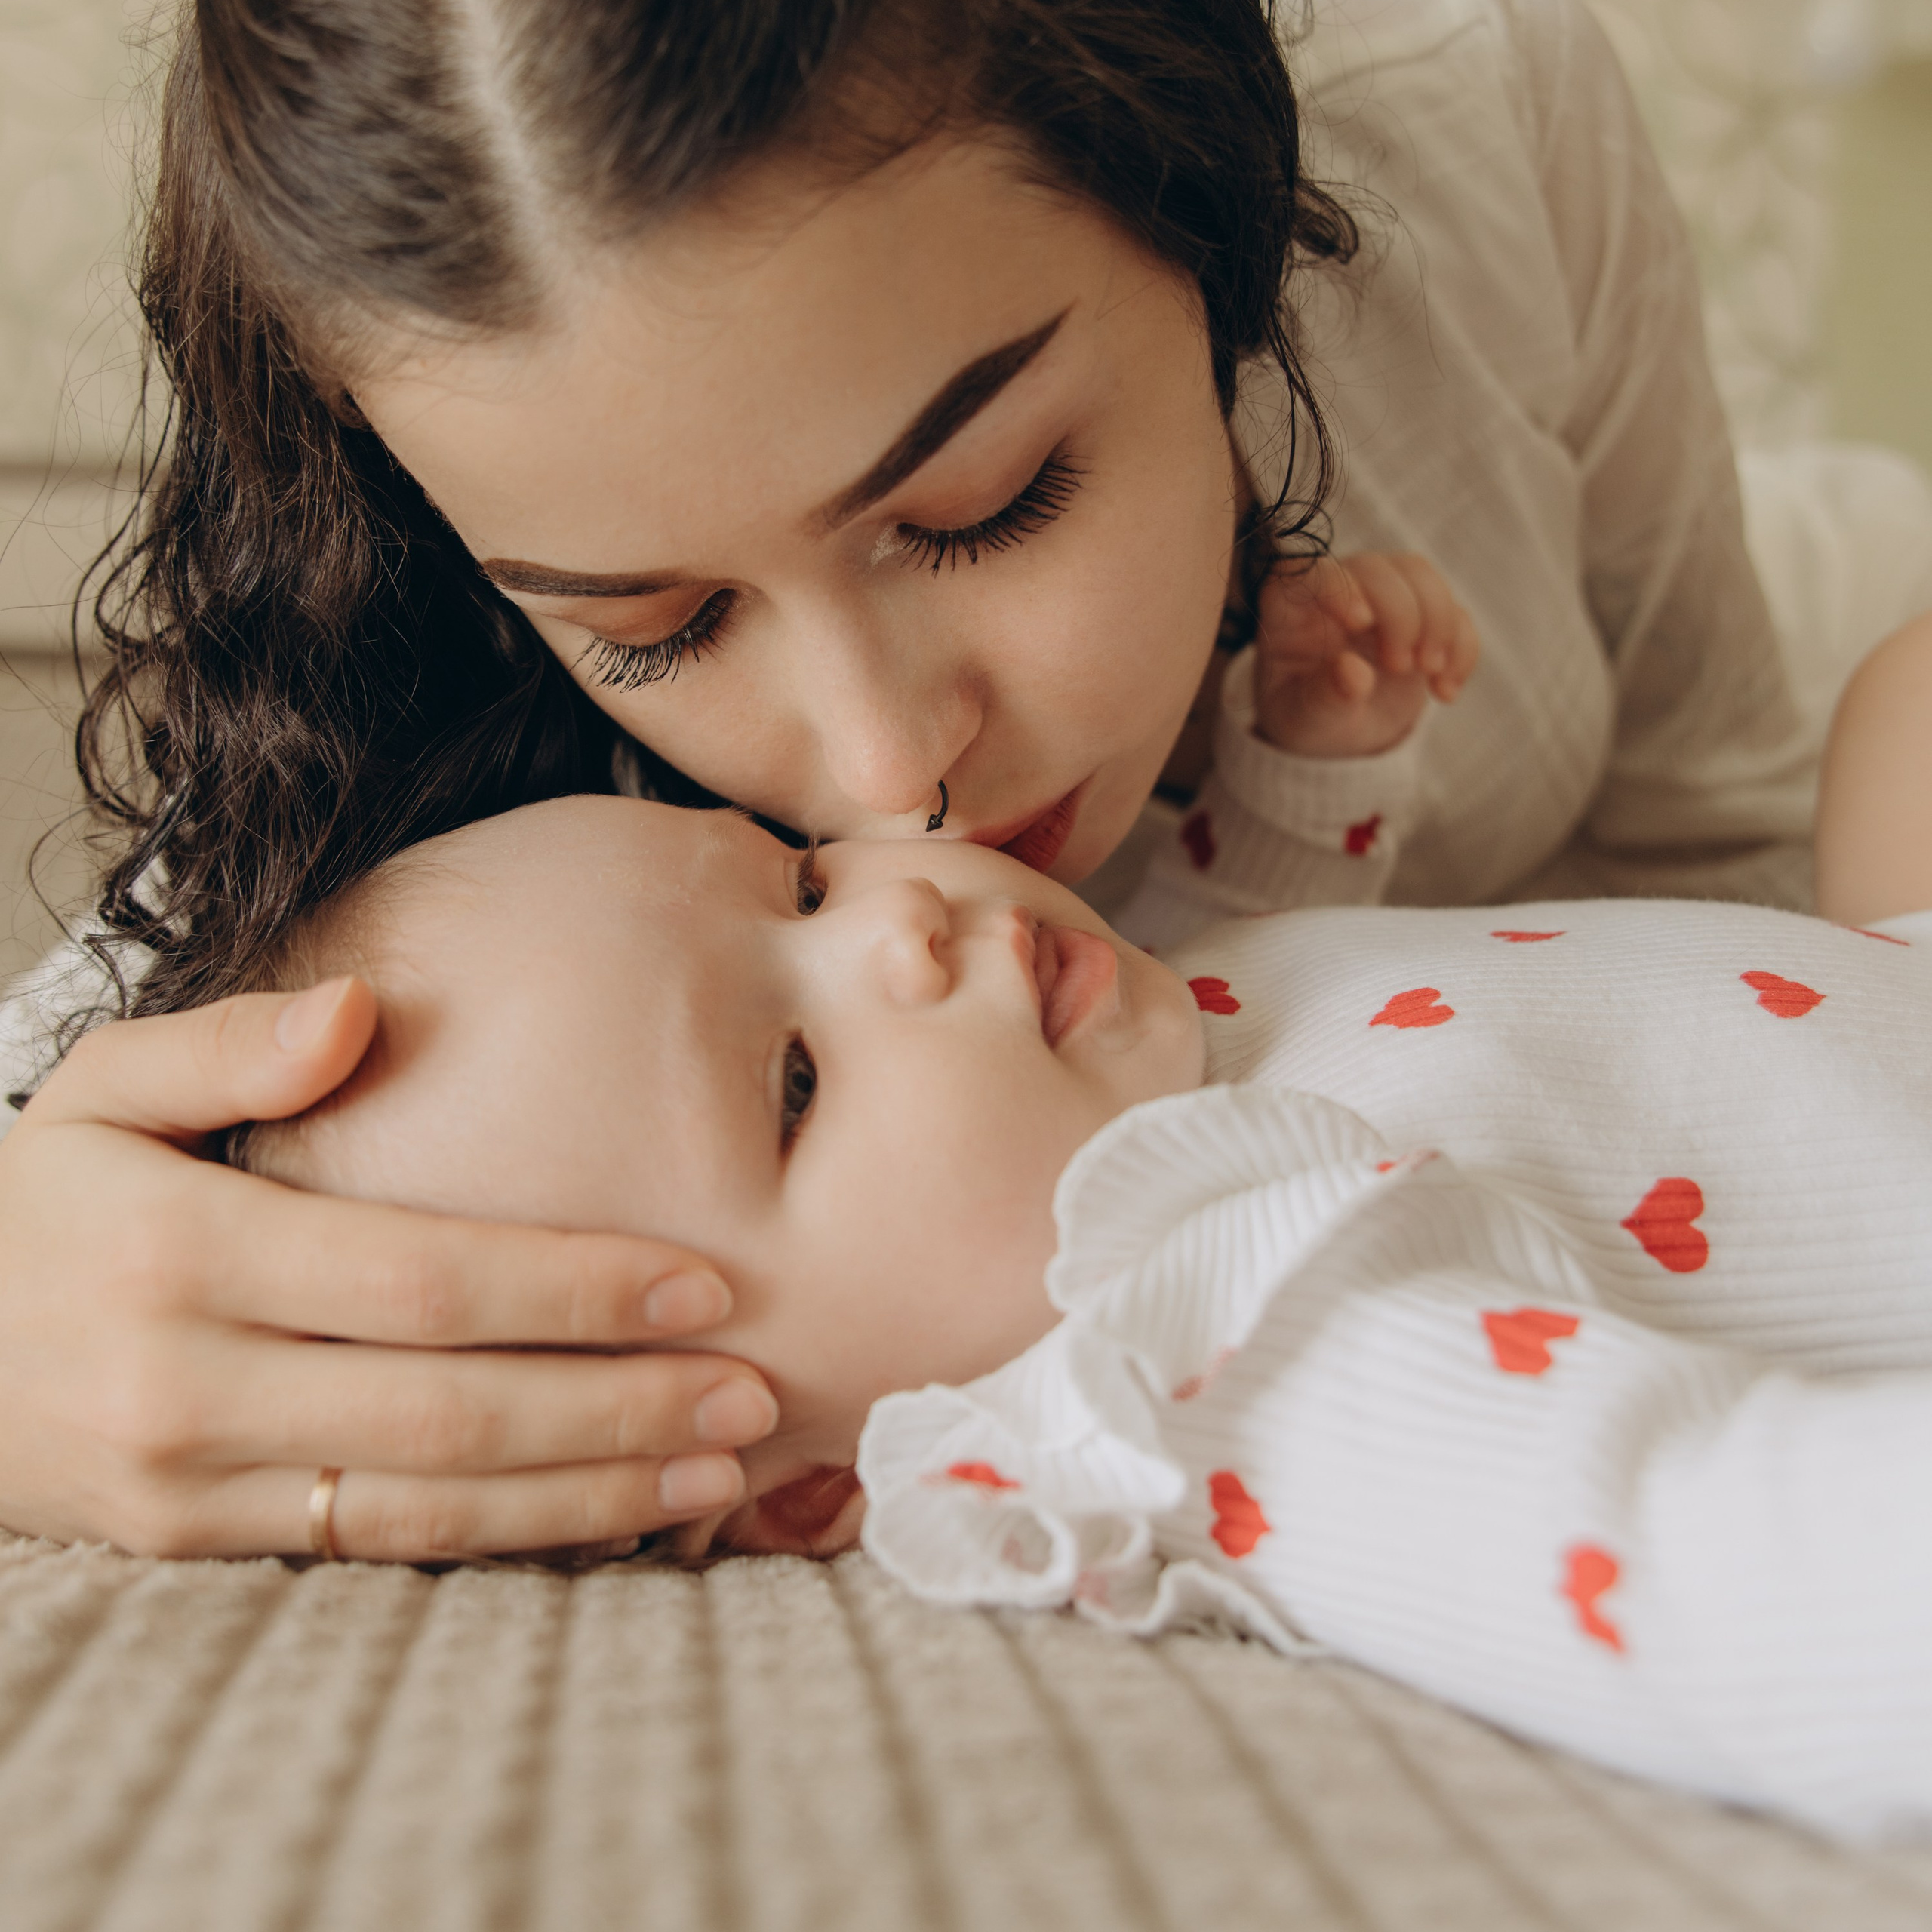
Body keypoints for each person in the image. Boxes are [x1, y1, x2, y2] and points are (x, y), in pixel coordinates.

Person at [0, 0, 1863, 1556]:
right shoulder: (417, 771)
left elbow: (1723, 822)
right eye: (655, 626)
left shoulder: (1473, 96)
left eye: (985, 503)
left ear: (1211, 219)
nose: (889, 776)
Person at [198, 608, 1932, 1841]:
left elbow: (1263, 967)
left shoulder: (1095, 1060)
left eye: (798, 878)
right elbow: (1694, 1558)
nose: (897, 925)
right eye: (794, 1080)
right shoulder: (1215, 1352)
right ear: (813, 1484)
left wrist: (1297, 777)